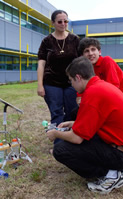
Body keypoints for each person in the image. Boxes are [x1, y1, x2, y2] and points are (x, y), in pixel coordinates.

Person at [46, 56, 123, 194]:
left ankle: (110, 174)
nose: (72, 85)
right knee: (78, 131)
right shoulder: (100, 86)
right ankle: (113, 171)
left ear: (78, 77)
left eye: (71, 81)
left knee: (61, 150)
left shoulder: (92, 94)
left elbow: (77, 138)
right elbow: (98, 121)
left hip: (121, 154)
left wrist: (56, 133)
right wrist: (73, 124)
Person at [37, 10, 79, 143]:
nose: (63, 24)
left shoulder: (74, 39)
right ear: (53, 23)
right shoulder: (47, 41)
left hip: (71, 83)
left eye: (65, 21)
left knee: (72, 112)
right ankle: (58, 143)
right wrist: (40, 85)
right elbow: (41, 64)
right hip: (51, 83)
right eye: (60, 21)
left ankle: (69, 139)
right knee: (56, 113)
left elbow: (81, 63)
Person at [78, 37, 123, 118]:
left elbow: (113, 87)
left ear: (99, 51)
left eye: (93, 49)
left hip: (122, 106)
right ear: (82, 55)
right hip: (108, 104)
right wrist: (80, 97)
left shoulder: (107, 61)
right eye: (86, 51)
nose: (90, 53)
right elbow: (83, 88)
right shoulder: (87, 69)